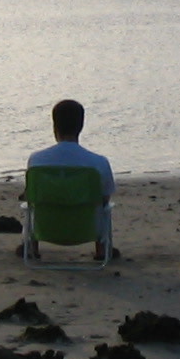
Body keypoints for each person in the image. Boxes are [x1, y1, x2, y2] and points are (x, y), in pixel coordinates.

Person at [25, 98, 115, 258]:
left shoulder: (36, 161)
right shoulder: (98, 162)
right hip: (86, 229)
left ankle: (32, 248)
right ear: (81, 126)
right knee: (104, 207)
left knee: (31, 205)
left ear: (54, 126)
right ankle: (102, 250)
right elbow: (105, 197)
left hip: (46, 229)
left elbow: (30, 196)